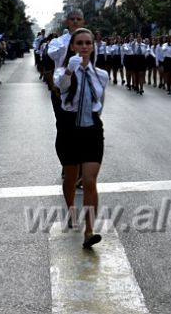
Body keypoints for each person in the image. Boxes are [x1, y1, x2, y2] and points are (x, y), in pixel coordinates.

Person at [54, 28, 108, 248]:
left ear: (93, 47)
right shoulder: (62, 72)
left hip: (92, 129)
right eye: (80, 43)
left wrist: (94, 121)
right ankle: (71, 210)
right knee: (70, 176)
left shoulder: (101, 74)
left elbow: (101, 102)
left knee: (89, 181)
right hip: (69, 129)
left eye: (88, 43)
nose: (84, 47)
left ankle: (89, 231)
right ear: (73, 47)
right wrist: (70, 71)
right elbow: (62, 88)